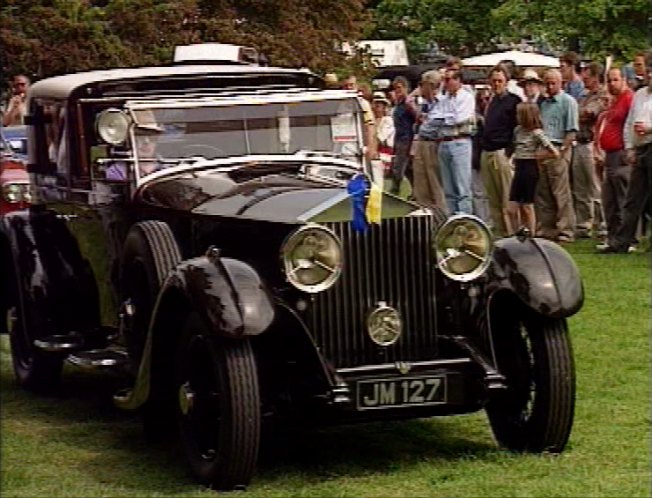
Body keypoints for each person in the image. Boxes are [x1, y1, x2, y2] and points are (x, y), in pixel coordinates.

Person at [599, 52, 652, 253]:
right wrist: (629, 147)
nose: (650, 75)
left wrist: (649, 128)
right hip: (639, 150)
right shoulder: (639, 95)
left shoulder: (631, 96)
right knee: (632, 199)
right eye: (648, 71)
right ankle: (622, 242)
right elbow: (629, 123)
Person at [536, 68, 579, 242]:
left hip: (558, 148)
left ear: (561, 83)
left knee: (561, 192)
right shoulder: (543, 103)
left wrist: (561, 152)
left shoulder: (568, 102)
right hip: (542, 149)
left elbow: (572, 131)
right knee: (543, 192)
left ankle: (565, 230)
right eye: (547, 83)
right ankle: (547, 228)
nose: (550, 86)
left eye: (553, 83)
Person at [480, 64, 521, 236]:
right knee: (493, 197)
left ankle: (513, 231)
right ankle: (500, 231)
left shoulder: (514, 101)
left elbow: (517, 128)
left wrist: (510, 152)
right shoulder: (492, 102)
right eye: (494, 81)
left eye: (500, 81)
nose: (496, 84)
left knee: (506, 197)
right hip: (487, 151)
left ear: (506, 81)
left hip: (502, 151)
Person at [595, 68, 634, 252]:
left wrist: (629, 149)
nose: (611, 84)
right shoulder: (614, 101)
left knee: (622, 198)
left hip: (621, 154)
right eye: (609, 80)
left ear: (623, 80)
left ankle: (626, 239)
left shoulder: (628, 99)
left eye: (615, 80)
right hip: (609, 154)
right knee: (609, 200)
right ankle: (613, 239)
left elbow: (630, 126)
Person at [509, 102, 560, 234]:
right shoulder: (517, 130)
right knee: (512, 207)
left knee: (527, 205)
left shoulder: (537, 133)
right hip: (519, 167)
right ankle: (516, 233)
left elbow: (554, 152)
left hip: (529, 168)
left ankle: (531, 234)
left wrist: (537, 156)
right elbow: (516, 147)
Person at [572, 62, 608, 238]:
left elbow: (589, 113)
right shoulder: (584, 94)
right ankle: (583, 224)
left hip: (591, 142)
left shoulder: (602, 95)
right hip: (578, 142)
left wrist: (576, 115)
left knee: (595, 186)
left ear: (595, 77)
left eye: (587, 76)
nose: (584, 79)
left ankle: (602, 222)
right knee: (580, 188)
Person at [437, 68, 476, 214]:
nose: (445, 83)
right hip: (444, 142)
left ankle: (465, 220)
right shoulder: (444, 98)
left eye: (448, 80)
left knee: (462, 188)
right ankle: (453, 220)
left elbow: (459, 118)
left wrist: (443, 118)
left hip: (460, 141)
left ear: (458, 80)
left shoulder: (466, 97)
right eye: (444, 80)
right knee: (448, 189)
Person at [411, 70, 447, 211]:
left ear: (431, 85)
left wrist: (423, 125)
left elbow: (433, 127)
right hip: (421, 143)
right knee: (421, 185)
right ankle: (426, 218)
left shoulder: (443, 102)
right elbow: (417, 126)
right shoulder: (425, 103)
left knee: (436, 185)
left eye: (422, 84)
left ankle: (442, 218)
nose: (420, 87)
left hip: (434, 144)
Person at [390, 75, 417, 194]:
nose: (397, 91)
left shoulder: (409, 102)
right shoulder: (398, 105)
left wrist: (410, 105)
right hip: (399, 137)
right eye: (396, 88)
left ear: (406, 88)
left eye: (400, 88)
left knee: (400, 166)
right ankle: (415, 191)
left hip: (408, 138)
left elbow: (416, 117)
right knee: (407, 168)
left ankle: (395, 188)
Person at [343, 75, 377, 162]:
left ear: (357, 86)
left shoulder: (362, 104)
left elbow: (370, 127)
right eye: (346, 86)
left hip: (358, 147)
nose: (348, 88)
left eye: (351, 85)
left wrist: (370, 147)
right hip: (342, 146)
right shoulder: (340, 105)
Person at [371, 92, 395, 180]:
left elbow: (380, 138)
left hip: (384, 152)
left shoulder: (387, 120)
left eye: (378, 105)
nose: (376, 107)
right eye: (374, 104)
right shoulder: (371, 121)